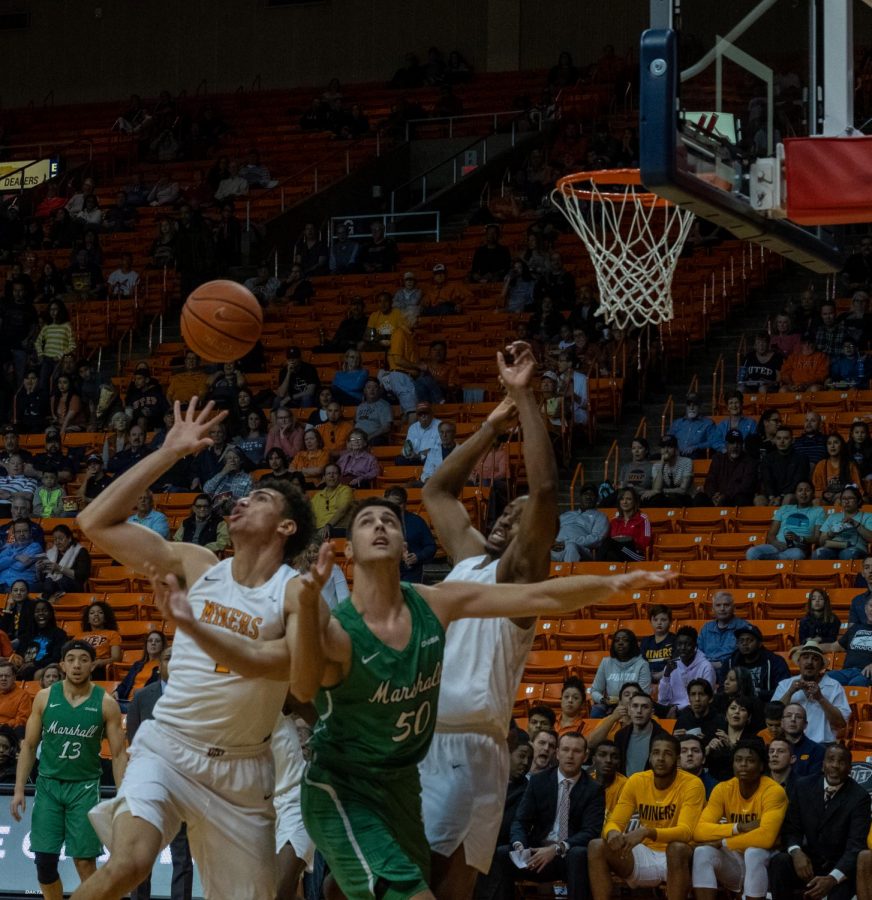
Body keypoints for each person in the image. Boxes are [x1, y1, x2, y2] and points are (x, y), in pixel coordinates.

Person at [62, 398, 327, 900]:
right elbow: (94, 521)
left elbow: (299, 681)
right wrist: (169, 452)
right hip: (169, 747)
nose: (243, 500)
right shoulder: (199, 563)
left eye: (262, 498)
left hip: (243, 771)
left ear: (286, 527)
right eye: (245, 496)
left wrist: (196, 627)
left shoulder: (295, 593)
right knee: (129, 865)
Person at [11, 640, 126, 900]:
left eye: (83, 659)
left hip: (84, 787)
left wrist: (122, 797)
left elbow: (118, 754)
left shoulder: (106, 703)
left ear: (92, 664)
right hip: (49, 786)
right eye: (71, 659)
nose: (77, 664)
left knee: (85, 863)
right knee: (44, 864)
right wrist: (19, 789)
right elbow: (28, 746)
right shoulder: (44, 697)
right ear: (62, 664)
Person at [588, 734, 704, 900]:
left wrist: (647, 832)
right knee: (596, 845)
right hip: (645, 853)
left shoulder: (692, 784)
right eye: (656, 753)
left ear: (678, 760)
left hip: (679, 859)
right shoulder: (637, 780)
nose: (661, 758)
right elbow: (615, 822)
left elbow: (686, 832)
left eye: (667, 754)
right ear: (649, 757)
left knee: (676, 848)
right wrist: (612, 832)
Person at [495, 732, 604, 900]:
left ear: (585, 756)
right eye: (566, 750)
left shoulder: (593, 789)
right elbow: (520, 821)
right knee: (503, 853)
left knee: (579, 854)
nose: (570, 755)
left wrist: (557, 848)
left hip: (568, 856)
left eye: (576, 751)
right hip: (537, 853)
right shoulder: (538, 781)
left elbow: (591, 832)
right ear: (557, 753)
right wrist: (520, 846)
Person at [125, 645, 194, 900]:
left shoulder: (197, 697)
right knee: (141, 856)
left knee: (182, 857)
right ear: (159, 664)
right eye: (168, 658)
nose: (173, 663)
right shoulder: (142, 697)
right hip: (148, 784)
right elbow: (134, 742)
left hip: (183, 784)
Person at [769, 743, 871, 900]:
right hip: (808, 860)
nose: (835, 766)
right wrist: (796, 852)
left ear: (850, 769)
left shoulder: (859, 797)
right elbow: (791, 828)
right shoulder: (802, 786)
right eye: (831, 760)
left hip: (840, 866)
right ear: (823, 765)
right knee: (780, 862)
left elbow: (855, 846)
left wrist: (832, 878)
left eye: (841, 762)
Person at [691, 740, 788, 900]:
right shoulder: (723, 789)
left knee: (753, 852)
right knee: (702, 852)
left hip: (767, 861)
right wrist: (739, 827)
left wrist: (723, 842)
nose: (743, 765)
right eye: (738, 760)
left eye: (750, 761)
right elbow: (699, 830)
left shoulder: (773, 791)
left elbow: (766, 838)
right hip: (735, 859)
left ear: (762, 766)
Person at [773, 640, 850, 743]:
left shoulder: (834, 686)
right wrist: (790, 692)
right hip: (790, 744)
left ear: (821, 665)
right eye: (805, 657)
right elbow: (773, 717)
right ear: (799, 662)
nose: (809, 662)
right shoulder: (785, 685)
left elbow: (840, 724)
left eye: (815, 659)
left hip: (822, 745)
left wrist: (821, 698)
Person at [746, 481, 823, 560]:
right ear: (795, 494)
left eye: (807, 490)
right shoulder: (784, 509)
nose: (803, 493)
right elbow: (771, 534)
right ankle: (775, 558)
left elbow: (817, 538)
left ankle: (770, 559)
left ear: (813, 493)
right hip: (777, 546)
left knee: (797, 555)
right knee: (751, 552)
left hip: (796, 548)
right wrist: (776, 543)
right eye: (800, 490)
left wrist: (799, 538)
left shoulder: (818, 511)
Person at [589, 630, 652, 717]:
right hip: (610, 705)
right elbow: (595, 690)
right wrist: (603, 700)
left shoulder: (642, 664)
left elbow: (644, 694)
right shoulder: (606, 662)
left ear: (632, 644)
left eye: (625, 640)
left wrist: (624, 703)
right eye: (617, 640)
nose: (620, 643)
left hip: (634, 705)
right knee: (596, 711)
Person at [657, 626, 716, 712]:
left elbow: (706, 699)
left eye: (688, 644)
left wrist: (679, 708)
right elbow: (662, 700)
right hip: (672, 709)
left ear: (695, 646)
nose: (683, 648)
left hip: (694, 710)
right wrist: (666, 675)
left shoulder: (706, 667)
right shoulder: (671, 666)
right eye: (679, 644)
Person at [383, 487, 436, 583]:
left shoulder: (417, 521)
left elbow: (431, 546)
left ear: (405, 504)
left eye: (398, 504)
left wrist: (418, 556)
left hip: (412, 573)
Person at [704, 695, 761, 782]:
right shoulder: (714, 734)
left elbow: (754, 765)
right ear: (726, 714)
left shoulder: (754, 740)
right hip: (714, 783)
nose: (737, 712)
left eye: (742, 709)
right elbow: (702, 762)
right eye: (733, 708)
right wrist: (708, 749)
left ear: (749, 717)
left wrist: (732, 746)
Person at [818, 595, 872, 685]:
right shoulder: (855, 628)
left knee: (855, 684)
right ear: (865, 609)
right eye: (871, 606)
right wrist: (809, 647)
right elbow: (833, 646)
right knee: (822, 679)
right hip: (846, 672)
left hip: (866, 673)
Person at [729, 624, 790, 701]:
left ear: (759, 644)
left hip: (765, 705)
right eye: (741, 641)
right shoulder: (731, 661)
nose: (745, 644)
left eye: (749, 640)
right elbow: (722, 688)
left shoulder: (775, 662)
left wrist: (760, 694)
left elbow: (783, 689)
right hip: (737, 704)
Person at [697, 591, 751, 677]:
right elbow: (698, 653)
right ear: (713, 609)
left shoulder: (744, 627)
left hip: (733, 673)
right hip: (706, 671)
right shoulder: (706, 628)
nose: (722, 608)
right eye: (718, 605)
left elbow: (745, 656)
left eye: (726, 605)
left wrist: (717, 664)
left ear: (733, 608)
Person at [551, 484, 609, 562]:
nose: (588, 497)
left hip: (579, 549)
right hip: (556, 548)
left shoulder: (600, 516)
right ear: (580, 497)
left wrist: (567, 542)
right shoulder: (566, 515)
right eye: (585, 494)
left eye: (592, 494)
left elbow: (597, 538)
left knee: (571, 547)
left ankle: (569, 574)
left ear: (597, 499)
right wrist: (552, 543)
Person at [813, 485, 872, 560]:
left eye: (850, 498)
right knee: (818, 553)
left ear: (859, 501)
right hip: (833, 547)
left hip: (855, 548)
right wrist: (831, 533)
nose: (846, 502)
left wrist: (856, 524)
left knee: (848, 554)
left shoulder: (868, 516)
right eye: (844, 499)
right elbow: (821, 541)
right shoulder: (833, 517)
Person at [614, 693, 667, 776]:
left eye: (645, 707)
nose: (639, 711)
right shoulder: (620, 736)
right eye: (635, 706)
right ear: (629, 710)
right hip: (625, 786)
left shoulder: (663, 737)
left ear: (652, 712)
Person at [34, 524, 90, 596]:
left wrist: (59, 568)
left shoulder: (80, 551)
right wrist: (39, 570)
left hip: (73, 584)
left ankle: (46, 599)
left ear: (69, 538)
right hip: (51, 584)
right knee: (45, 582)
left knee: (59, 581)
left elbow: (81, 576)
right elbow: (43, 578)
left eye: (60, 539)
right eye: (55, 539)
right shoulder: (51, 552)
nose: (57, 542)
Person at [759, 426, 810, 505]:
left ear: (792, 440)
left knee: (788, 498)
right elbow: (767, 481)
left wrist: (780, 497)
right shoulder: (767, 459)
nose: (782, 441)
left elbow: (797, 482)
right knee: (759, 500)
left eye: (786, 438)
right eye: (779, 438)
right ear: (775, 440)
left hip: (792, 495)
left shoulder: (802, 459)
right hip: (772, 496)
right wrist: (771, 496)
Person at [114, 631, 166, 704]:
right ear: (146, 645)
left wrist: (141, 693)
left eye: (157, 641)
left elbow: (160, 690)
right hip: (127, 701)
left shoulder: (164, 667)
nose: (153, 643)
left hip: (145, 705)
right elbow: (124, 684)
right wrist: (117, 692)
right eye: (150, 641)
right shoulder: (137, 665)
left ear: (162, 646)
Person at [600, 487, 651, 562]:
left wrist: (627, 541)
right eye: (622, 499)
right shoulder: (614, 521)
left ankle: (594, 568)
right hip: (617, 554)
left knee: (610, 543)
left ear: (634, 501)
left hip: (637, 555)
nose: (625, 502)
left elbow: (646, 543)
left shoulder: (643, 519)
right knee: (609, 553)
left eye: (629, 499)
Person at [74, 601, 122, 678]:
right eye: (92, 613)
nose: (96, 614)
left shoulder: (113, 634)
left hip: (100, 667)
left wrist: (100, 662)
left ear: (105, 618)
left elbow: (116, 658)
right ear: (88, 619)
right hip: (81, 664)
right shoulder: (79, 636)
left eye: (100, 612)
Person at [674, 679, 728, 743]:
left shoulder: (720, 721)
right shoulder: (682, 720)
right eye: (693, 694)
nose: (697, 699)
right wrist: (674, 740)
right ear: (689, 698)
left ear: (710, 698)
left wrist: (705, 742)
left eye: (701, 694)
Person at [779, 703, 825, 777]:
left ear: (805, 725)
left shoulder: (817, 750)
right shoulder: (772, 748)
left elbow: (814, 780)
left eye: (798, 717)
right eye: (788, 716)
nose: (793, 719)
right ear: (782, 723)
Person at [647, 435, 693, 507]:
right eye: (663, 447)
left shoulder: (686, 462)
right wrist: (662, 463)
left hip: (683, 498)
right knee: (653, 500)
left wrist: (663, 491)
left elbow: (683, 490)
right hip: (665, 498)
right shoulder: (656, 466)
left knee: (674, 498)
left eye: (669, 447)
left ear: (676, 449)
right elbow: (656, 489)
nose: (666, 450)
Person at [667, 393, 715, 459]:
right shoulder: (677, 423)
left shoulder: (708, 423)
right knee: (656, 457)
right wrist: (675, 449)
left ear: (700, 406)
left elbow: (713, 441)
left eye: (694, 405)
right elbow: (668, 439)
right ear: (685, 407)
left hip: (695, 453)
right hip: (676, 453)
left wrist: (696, 447)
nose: (691, 408)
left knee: (692, 456)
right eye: (689, 405)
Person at [589, 740, 627, 818]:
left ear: (619, 763)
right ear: (593, 760)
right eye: (602, 755)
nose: (608, 760)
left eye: (614, 757)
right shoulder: (585, 782)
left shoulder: (626, 786)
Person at [639, 605, 675, 682]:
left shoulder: (675, 640)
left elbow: (676, 664)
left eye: (663, 620)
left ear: (670, 622)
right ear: (650, 622)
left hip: (669, 679)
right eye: (655, 620)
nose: (659, 623)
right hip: (647, 679)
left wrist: (661, 675)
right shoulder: (645, 641)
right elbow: (641, 664)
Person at [678, 732, 718, 797]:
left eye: (695, 750)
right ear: (677, 759)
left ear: (703, 759)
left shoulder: (716, 788)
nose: (689, 754)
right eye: (684, 751)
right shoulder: (669, 784)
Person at [0, 661, 32, 735]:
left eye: (7, 676)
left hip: (8, 732)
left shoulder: (23, 695)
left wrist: (3, 725)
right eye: (0, 676)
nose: (3, 678)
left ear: (14, 677)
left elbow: (22, 720)